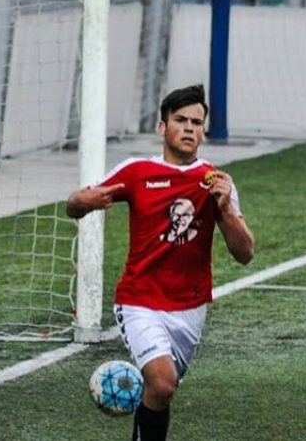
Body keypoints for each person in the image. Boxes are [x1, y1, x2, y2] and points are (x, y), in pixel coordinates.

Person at [66, 84, 254, 441]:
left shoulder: (217, 183)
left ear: (203, 131)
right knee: (163, 382)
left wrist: (226, 209)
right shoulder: (137, 171)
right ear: (162, 127)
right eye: (180, 120)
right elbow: (74, 205)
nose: (189, 128)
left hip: (190, 308)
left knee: (160, 393)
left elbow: (245, 254)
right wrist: (83, 202)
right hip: (139, 301)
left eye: (196, 123)